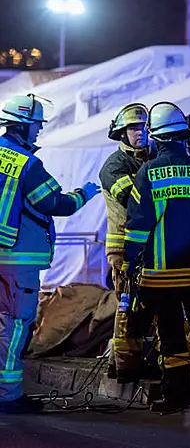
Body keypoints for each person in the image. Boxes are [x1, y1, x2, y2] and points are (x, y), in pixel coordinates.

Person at [123, 102, 190, 413]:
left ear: (155, 137)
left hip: (162, 274)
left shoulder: (148, 172)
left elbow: (138, 224)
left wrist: (130, 263)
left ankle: (177, 395)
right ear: (185, 136)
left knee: (170, 335)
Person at [0, 94, 100, 414]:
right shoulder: (27, 164)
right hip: (17, 261)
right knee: (16, 326)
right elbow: (54, 203)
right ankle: (8, 394)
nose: (38, 133)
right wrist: (86, 193)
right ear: (24, 127)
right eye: (36, 127)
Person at [99, 103, 157, 383]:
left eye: (144, 127)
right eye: (133, 128)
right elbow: (133, 200)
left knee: (150, 306)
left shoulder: (153, 157)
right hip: (123, 248)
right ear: (121, 132)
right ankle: (123, 366)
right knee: (127, 305)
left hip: (153, 246)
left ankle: (129, 360)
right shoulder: (114, 165)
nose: (140, 133)